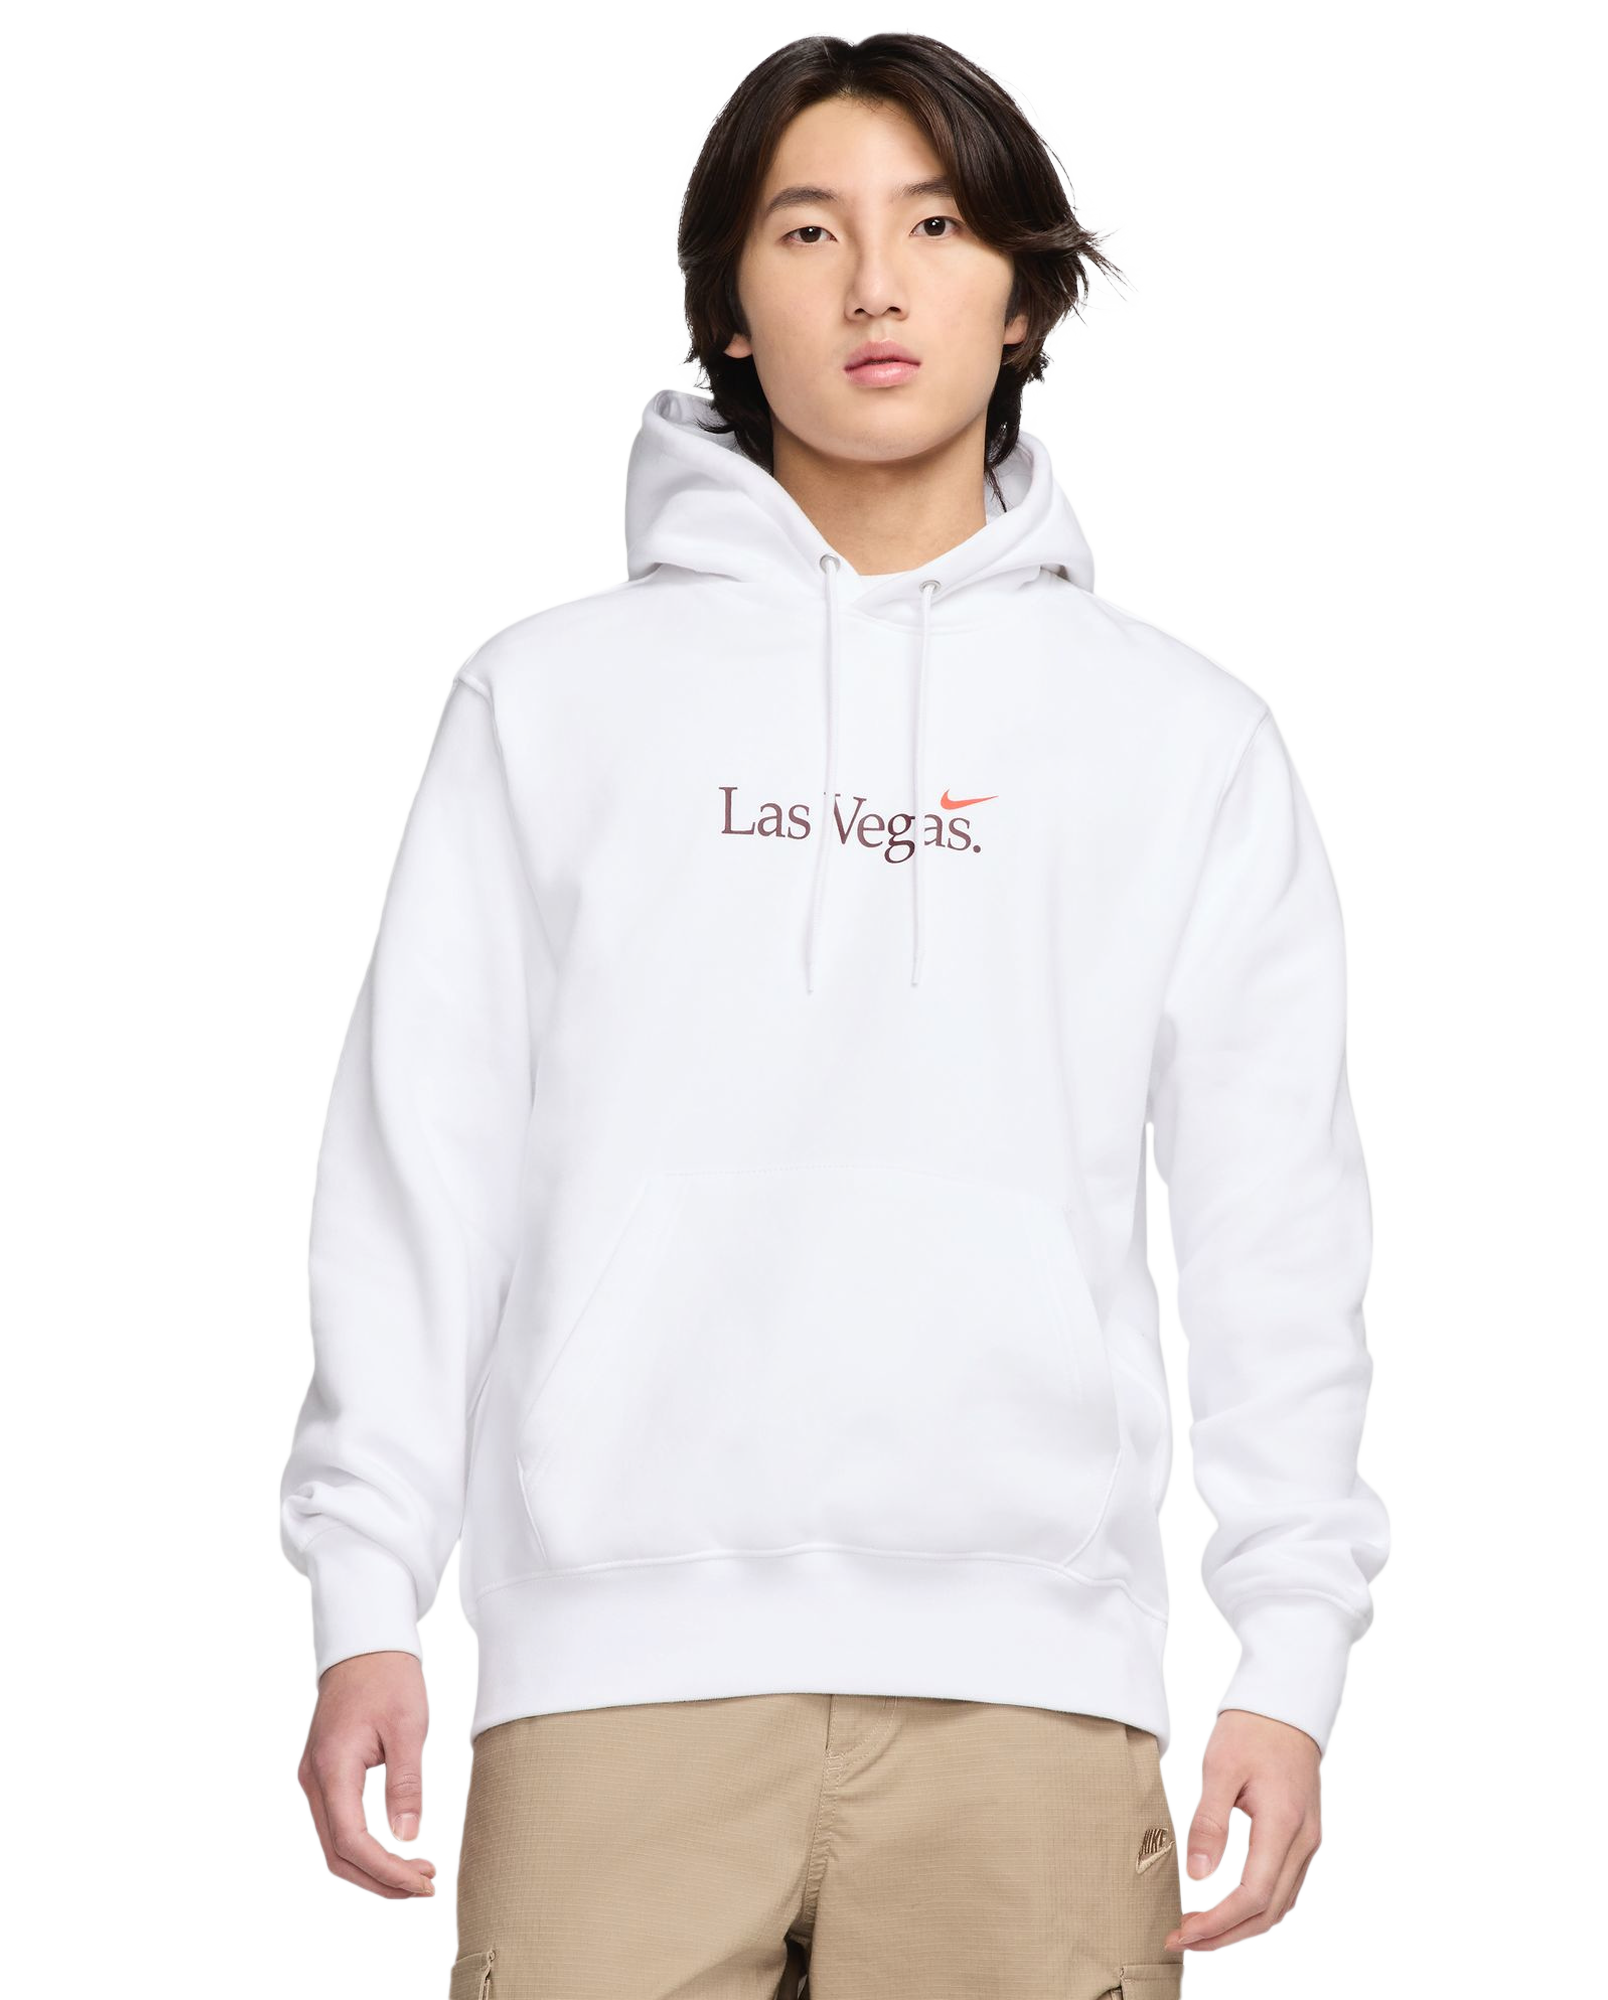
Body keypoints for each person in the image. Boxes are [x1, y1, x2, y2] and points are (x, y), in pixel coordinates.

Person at [279, 28, 1393, 1998]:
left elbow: (1274, 1227)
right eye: (808, 230)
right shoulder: (544, 702)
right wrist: (360, 1592)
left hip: (1032, 1688)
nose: (876, 284)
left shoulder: (1182, 735)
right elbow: (414, 1168)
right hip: (610, 1681)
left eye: (936, 226)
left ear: (1023, 290)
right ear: (726, 303)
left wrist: (1289, 1654)